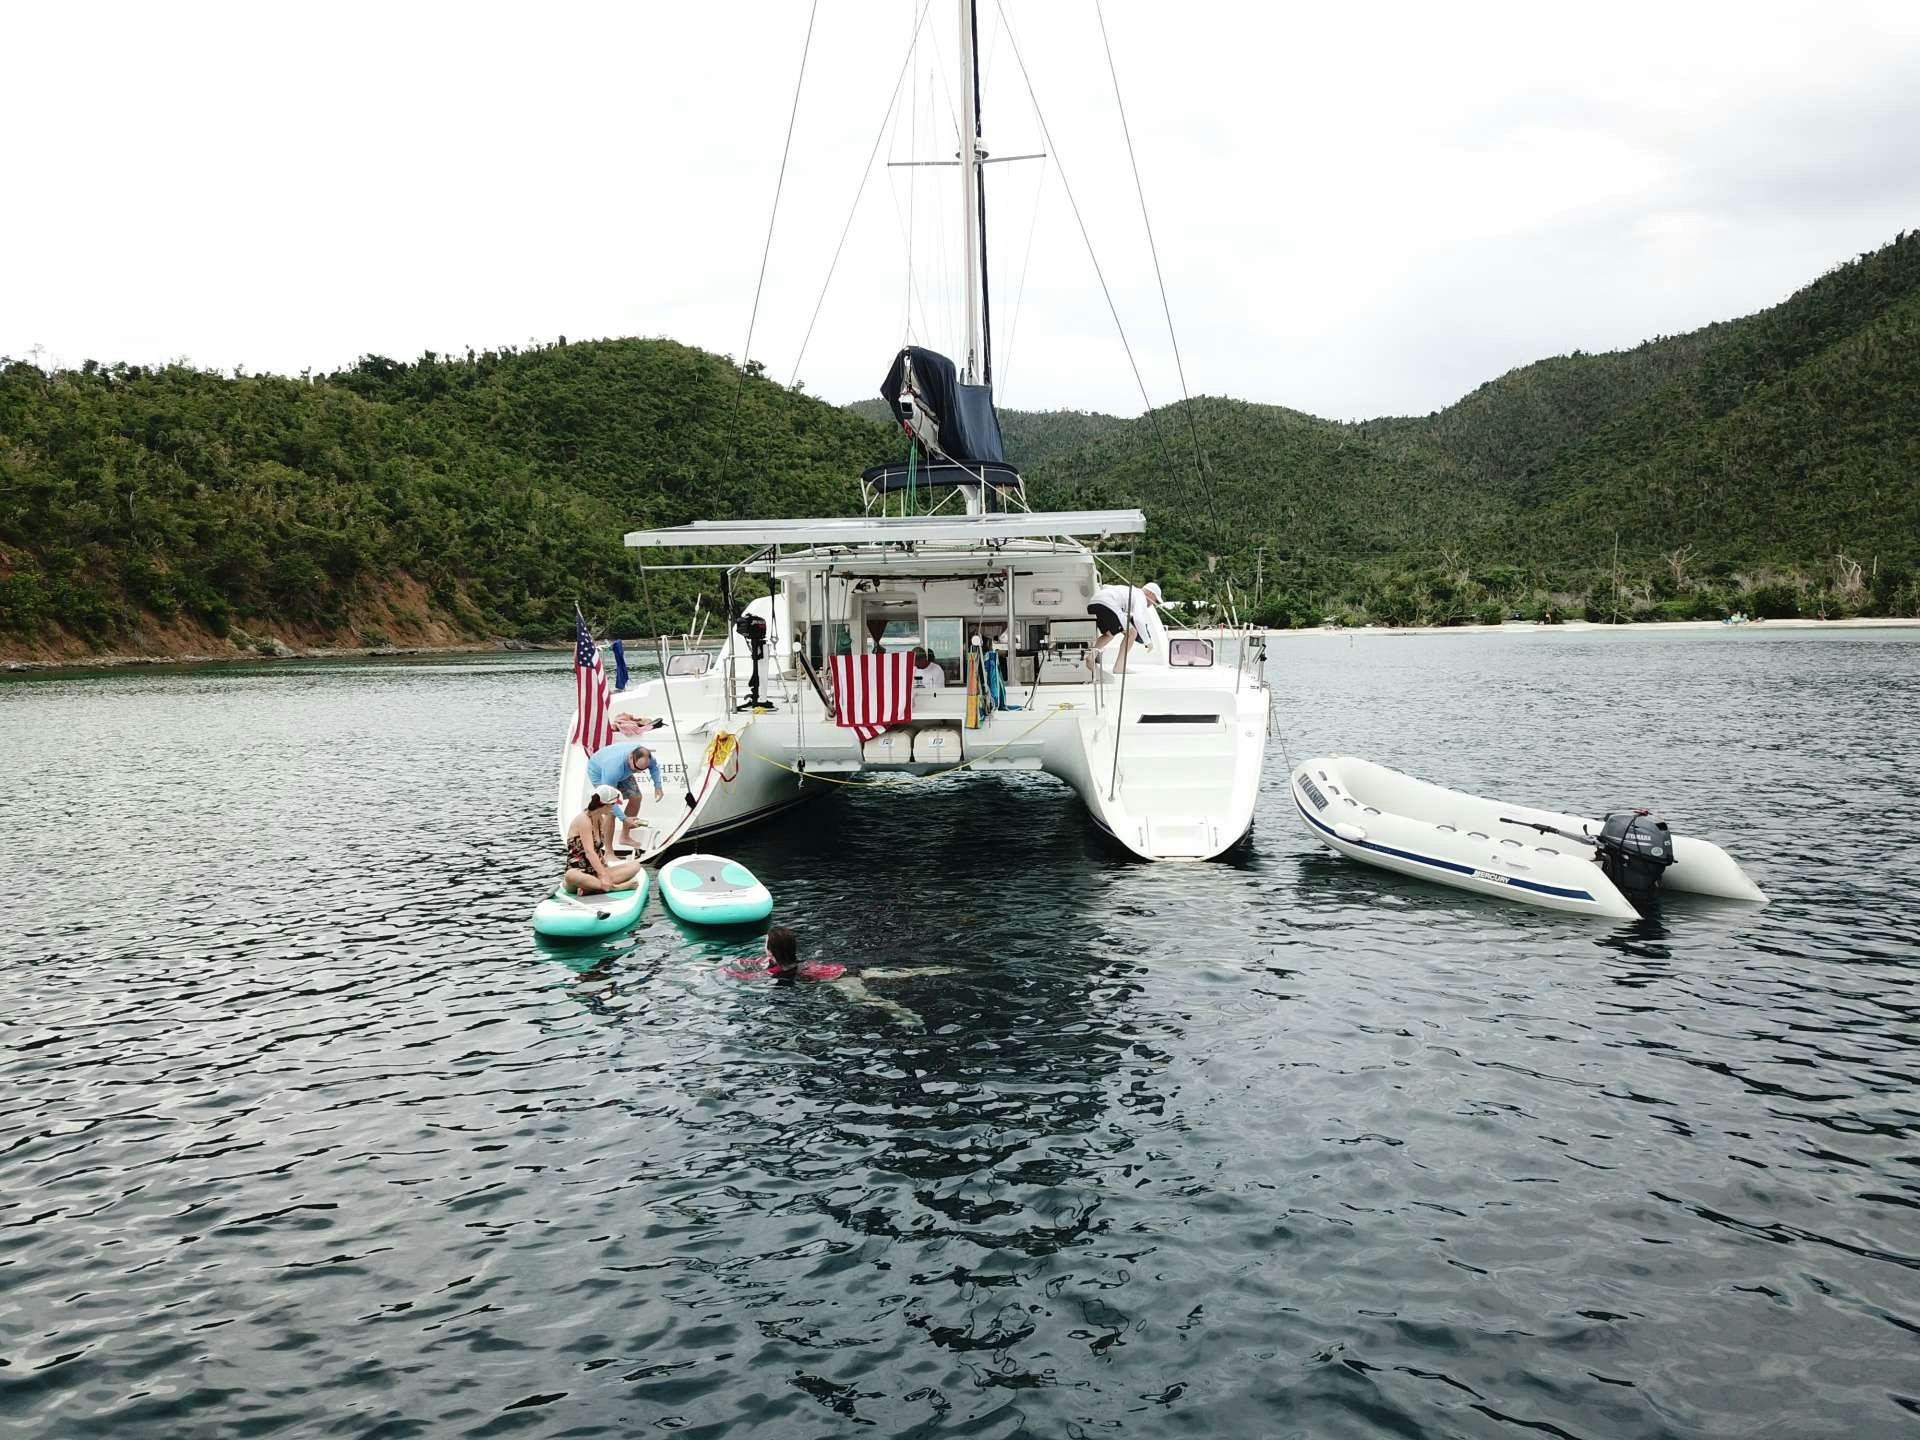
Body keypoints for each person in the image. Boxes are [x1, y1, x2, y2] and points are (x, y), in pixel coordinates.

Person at [563, 786, 644, 895]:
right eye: (613, 805)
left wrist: (603, 871)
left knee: (635, 866)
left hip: (596, 872)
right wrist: (604, 876)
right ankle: (615, 887)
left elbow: (598, 850)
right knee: (570, 875)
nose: (614, 808)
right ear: (606, 805)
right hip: (580, 874)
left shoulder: (600, 819)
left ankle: (591, 887)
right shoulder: (583, 820)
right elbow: (589, 852)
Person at [586, 739, 665, 846]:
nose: (638, 772)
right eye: (637, 769)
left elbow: (654, 767)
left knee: (636, 797)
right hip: (599, 772)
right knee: (610, 811)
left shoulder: (645, 757)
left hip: (624, 771)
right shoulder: (613, 768)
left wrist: (658, 786)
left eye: (642, 769)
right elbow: (609, 801)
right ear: (630, 757)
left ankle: (625, 837)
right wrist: (624, 818)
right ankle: (608, 851)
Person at [1086, 580, 1166, 674]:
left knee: (1109, 634)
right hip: (1108, 603)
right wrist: (1147, 641)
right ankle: (1119, 667)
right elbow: (1138, 619)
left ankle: (1090, 657)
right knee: (1132, 633)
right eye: (1155, 600)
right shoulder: (1141, 596)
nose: (1153, 604)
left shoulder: (1130, 591)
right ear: (1150, 593)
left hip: (1093, 604)